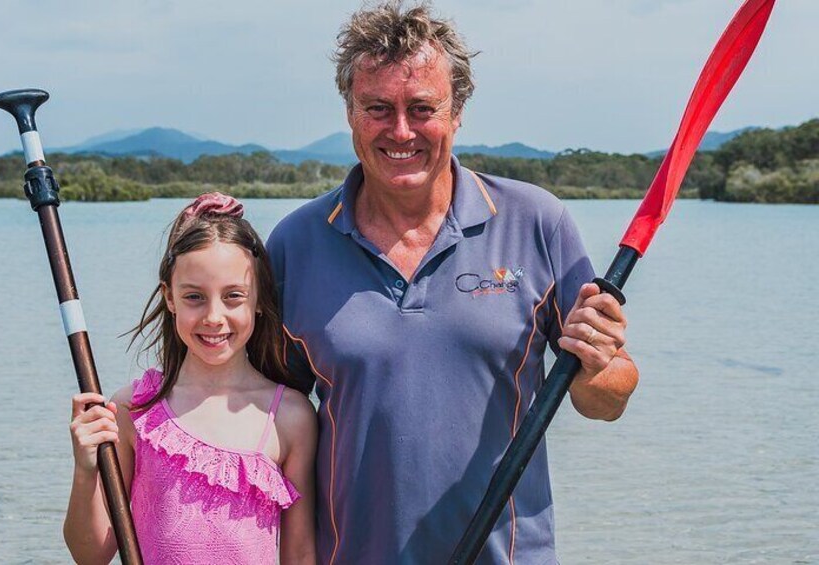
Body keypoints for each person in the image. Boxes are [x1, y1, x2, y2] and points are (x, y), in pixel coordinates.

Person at [267, 2, 639, 563]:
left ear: (458, 110)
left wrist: (598, 362)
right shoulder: (295, 244)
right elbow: (260, 418)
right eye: (377, 108)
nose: (401, 131)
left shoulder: (538, 222)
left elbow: (606, 401)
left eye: (422, 108)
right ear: (348, 111)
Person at [63, 193, 317, 564]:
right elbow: (90, 555)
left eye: (233, 296)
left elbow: (301, 554)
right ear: (170, 298)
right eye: (194, 297)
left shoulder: (290, 416)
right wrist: (85, 468)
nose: (214, 317)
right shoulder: (134, 409)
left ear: (259, 298)